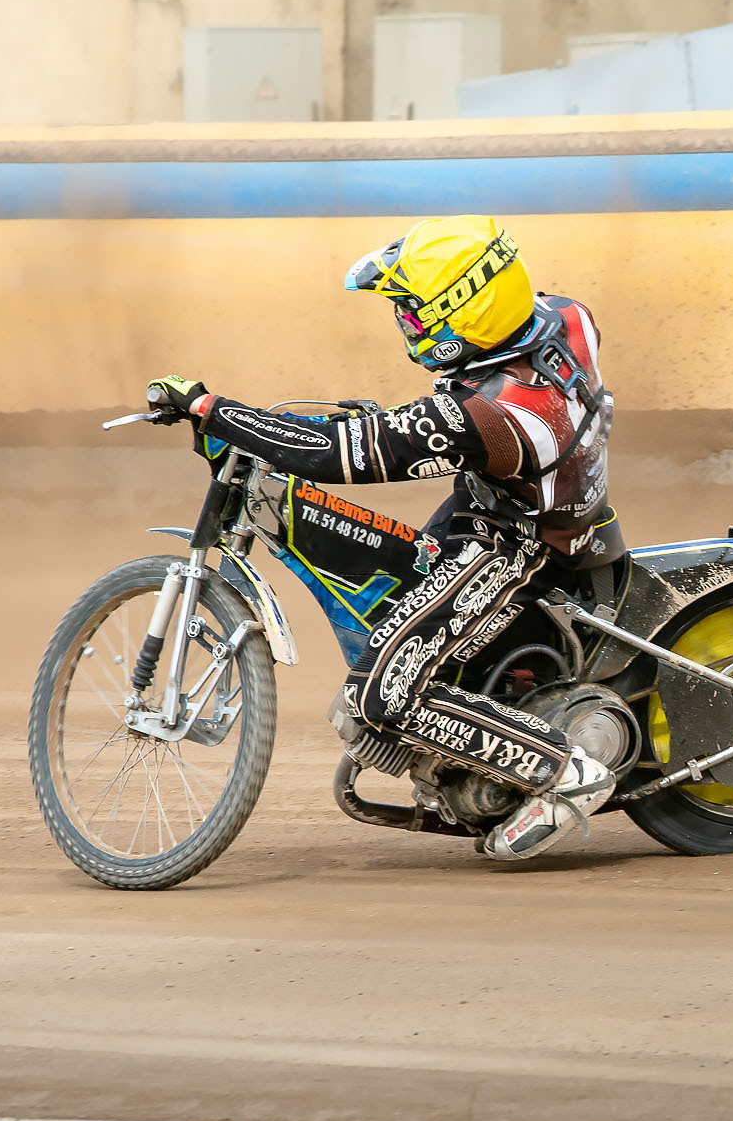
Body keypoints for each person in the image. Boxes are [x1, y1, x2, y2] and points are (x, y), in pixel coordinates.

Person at [142, 214, 622, 860]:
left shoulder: (492, 414)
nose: (407, 323)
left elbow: (334, 454)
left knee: (379, 695)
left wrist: (210, 408)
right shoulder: (561, 316)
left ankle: (565, 775)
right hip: (518, 500)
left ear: (467, 310)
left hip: (516, 545)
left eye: (416, 311)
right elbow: (442, 415)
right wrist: (398, 423)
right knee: (394, 600)